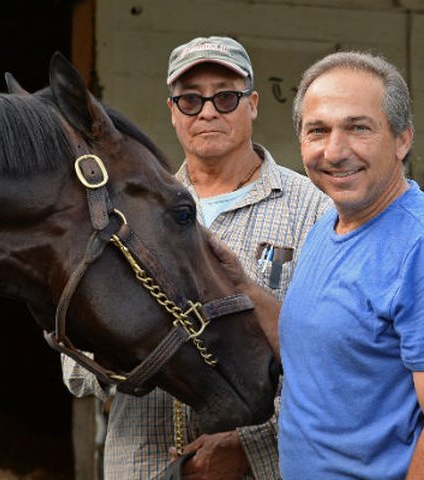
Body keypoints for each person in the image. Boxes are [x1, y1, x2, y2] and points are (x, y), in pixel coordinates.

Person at [62, 36, 330, 479]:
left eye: (226, 97)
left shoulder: (312, 211)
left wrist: (253, 445)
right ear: (173, 111)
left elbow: (334, 357)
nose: (208, 111)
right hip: (142, 465)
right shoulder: (126, 211)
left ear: (253, 105)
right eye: (190, 100)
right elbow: (76, 371)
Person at [275, 51, 424, 479]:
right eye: (318, 131)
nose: (335, 151)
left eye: (358, 128)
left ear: (402, 139)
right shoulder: (326, 227)